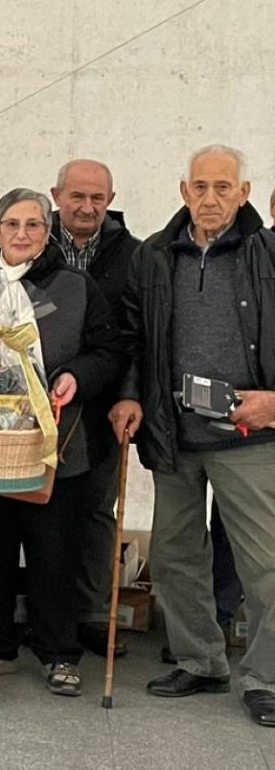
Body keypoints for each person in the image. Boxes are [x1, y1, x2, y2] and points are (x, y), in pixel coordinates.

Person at [0, 187, 122, 697]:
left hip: (57, 443)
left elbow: (108, 349)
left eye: (33, 225)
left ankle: (59, 653)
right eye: (12, 224)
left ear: (47, 231)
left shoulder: (75, 286)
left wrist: (77, 375)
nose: (22, 234)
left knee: (54, 551)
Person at [110, 145, 275, 727]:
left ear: (244, 192)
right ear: (184, 191)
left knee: (266, 564)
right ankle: (201, 660)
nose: (210, 198)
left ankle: (267, 675)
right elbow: (135, 336)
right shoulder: (155, 255)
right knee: (178, 556)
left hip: (249, 434)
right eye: (200, 187)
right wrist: (131, 394)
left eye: (222, 188)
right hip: (172, 433)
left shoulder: (268, 252)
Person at [48, 158, 140, 657]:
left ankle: (90, 614)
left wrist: (129, 393)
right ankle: (44, 610)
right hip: (41, 404)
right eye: (77, 197)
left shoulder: (134, 254)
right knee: (41, 510)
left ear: (110, 199)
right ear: (57, 194)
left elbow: (136, 336)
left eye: (97, 198)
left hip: (104, 405)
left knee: (96, 512)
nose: (87, 207)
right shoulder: (35, 242)